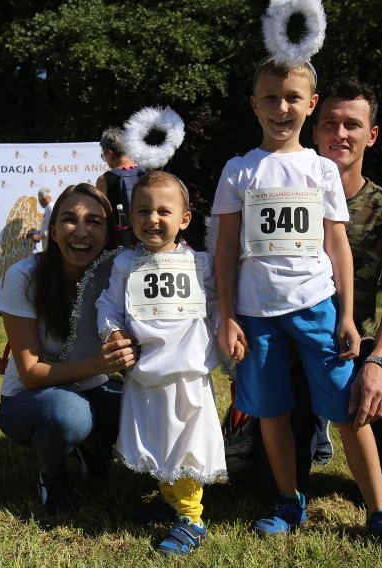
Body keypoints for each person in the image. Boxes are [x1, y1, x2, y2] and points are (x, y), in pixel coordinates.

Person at [212, 60, 382, 561]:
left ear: (309, 104)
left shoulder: (321, 169)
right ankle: (289, 501)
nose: (281, 107)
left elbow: (338, 246)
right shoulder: (238, 169)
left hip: (317, 313)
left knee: (350, 410)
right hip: (257, 317)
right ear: (254, 104)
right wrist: (227, 316)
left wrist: (347, 315)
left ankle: (381, 513)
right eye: (269, 98)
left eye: (293, 97)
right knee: (270, 412)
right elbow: (225, 249)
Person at [257, 80, 382, 511]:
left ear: (371, 135)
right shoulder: (270, 194)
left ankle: (380, 455)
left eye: (353, 125)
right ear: (313, 129)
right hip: (285, 347)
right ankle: (310, 430)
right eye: (330, 124)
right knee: (264, 486)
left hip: (349, 348)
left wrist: (378, 364)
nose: (340, 134)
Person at [96, 171, 230, 556]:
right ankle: (170, 499)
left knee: (184, 444)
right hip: (143, 373)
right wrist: (112, 333)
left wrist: (225, 332)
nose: (152, 219)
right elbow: (107, 305)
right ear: (131, 218)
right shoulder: (124, 264)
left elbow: (219, 302)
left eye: (163, 211)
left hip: (186, 374)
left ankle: (191, 516)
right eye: (143, 211)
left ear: (184, 219)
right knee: (156, 439)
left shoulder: (200, 264)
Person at [0, 183, 137, 516]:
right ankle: (53, 478)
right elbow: (30, 375)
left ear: (108, 233)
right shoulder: (23, 276)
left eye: (94, 221)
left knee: (150, 405)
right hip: (28, 398)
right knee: (68, 414)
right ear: (54, 230)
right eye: (70, 219)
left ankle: (90, 450)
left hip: (94, 388)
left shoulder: (119, 276)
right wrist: (101, 363)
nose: (81, 231)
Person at [95, 126, 147, 246]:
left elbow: (101, 214)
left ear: (109, 153)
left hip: (121, 243)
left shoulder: (105, 179)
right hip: (148, 237)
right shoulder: (147, 172)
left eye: (104, 156)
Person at [25, 187, 54, 252]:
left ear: (40, 197)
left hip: (52, 250)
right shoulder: (48, 208)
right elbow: (47, 229)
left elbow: (56, 228)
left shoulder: (51, 207)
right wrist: (31, 235)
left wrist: (40, 236)